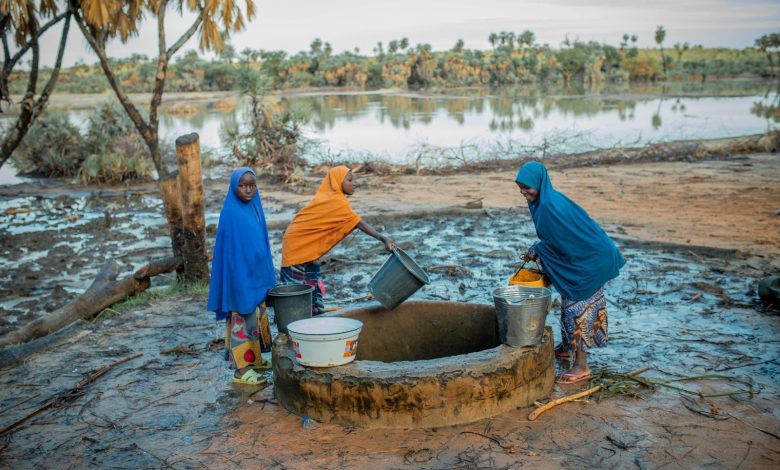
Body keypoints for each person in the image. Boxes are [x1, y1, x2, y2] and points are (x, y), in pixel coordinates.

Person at [515, 161, 625, 385]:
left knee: (576, 308)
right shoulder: (545, 201)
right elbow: (557, 240)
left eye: (527, 187)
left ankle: (581, 367)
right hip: (588, 255)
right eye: (519, 186)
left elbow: (560, 241)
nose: (523, 191)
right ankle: (566, 349)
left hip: (591, 259)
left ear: (539, 183)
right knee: (568, 300)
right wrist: (539, 249)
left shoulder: (549, 208)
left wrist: (537, 250)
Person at [281, 166, 396, 315]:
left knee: (312, 281)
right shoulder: (336, 202)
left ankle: (315, 316)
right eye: (349, 180)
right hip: (296, 247)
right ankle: (294, 323)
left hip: (307, 248)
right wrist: (383, 238)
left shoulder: (331, 199)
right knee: (295, 290)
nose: (354, 184)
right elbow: (359, 223)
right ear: (337, 182)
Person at [207, 168, 276, 385]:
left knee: (255, 318)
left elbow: (261, 242)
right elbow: (230, 254)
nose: (248, 190)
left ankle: (253, 361)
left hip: (255, 276)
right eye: (242, 185)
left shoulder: (255, 207)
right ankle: (240, 370)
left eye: (252, 185)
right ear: (233, 186)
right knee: (241, 320)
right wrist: (239, 281)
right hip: (240, 279)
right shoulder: (231, 213)